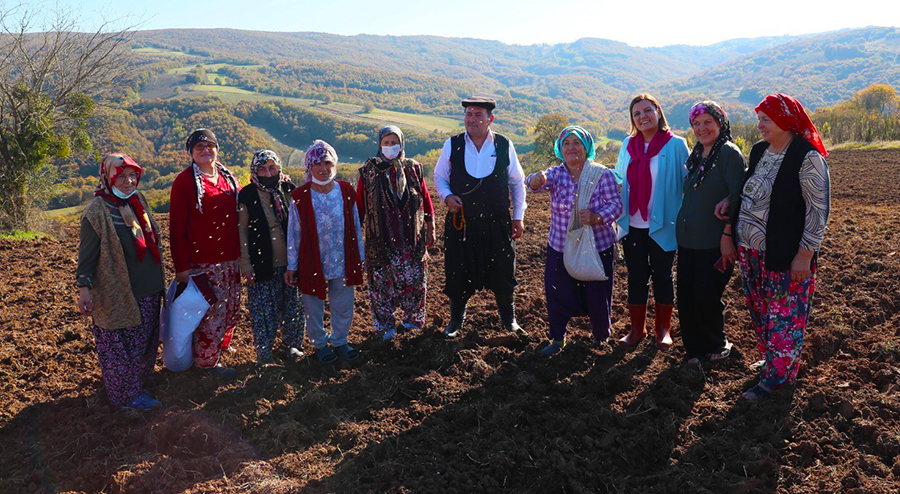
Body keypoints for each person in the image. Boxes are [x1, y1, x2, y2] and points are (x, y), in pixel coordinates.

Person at [722, 93, 830, 400]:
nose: (759, 126)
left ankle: (777, 381)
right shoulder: (760, 151)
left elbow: (818, 210)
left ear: (785, 120)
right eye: (759, 119)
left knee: (784, 315)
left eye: (765, 119)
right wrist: (729, 210)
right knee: (763, 311)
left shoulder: (806, 157)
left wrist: (804, 255)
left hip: (785, 253)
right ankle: (774, 363)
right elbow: (749, 189)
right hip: (751, 251)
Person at [76, 154, 165, 409]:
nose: (128, 181)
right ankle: (125, 396)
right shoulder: (97, 211)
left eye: (132, 175)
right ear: (107, 177)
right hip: (119, 292)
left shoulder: (138, 201)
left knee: (145, 338)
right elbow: (87, 255)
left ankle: (138, 382)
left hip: (148, 287)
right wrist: (84, 288)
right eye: (121, 176)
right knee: (119, 345)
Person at [433, 96, 527, 338]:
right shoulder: (452, 145)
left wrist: (518, 217)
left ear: (490, 119)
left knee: (504, 270)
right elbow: (440, 177)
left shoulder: (504, 145)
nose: (471, 119)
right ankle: (455, 322)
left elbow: (517, 182)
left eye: (477, 115)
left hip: (497, 222)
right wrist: (446, 196)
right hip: (462, 223)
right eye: (468, 114)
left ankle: (509, 320)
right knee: (457, 270)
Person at [526, 126, 623, 355]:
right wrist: (536, 179)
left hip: (597, 247)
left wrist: (597, 217)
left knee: (598, 294)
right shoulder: (556, 174)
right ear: (560, 149)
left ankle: (601, 338)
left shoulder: (602, 174)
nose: (571, 147)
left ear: (587, 147)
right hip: (560, 245)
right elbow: (532, 184)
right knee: (556, 292)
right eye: (566, 143)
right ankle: (558, 339)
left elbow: (616, 205)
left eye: (576, 143)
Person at [613, 94, 690, 350]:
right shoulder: (628, 144)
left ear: (658, 111)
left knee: (663, 276)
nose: (642, 117)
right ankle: (637, 329)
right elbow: (617, 176)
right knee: (636, 277)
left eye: (647, 111)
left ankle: (663, 330)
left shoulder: (676, 144)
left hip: (664, 224)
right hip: (632, 222)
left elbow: (687, 182)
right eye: (636, 114)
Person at [675, 101, 747, 364]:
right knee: (687, 295)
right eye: (696, 123)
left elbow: (739, 193)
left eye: (708, 122)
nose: (702, 128)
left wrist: (727, 234)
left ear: (720, 123)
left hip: (714, 240)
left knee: (707, 294)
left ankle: (717, 343)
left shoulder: (728, 152)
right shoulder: (698, 154)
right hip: (688, 238)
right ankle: (694, 348)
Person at [169, 129, 241, 378]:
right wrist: (182, 267)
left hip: (231, 259)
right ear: (190, 152)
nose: (205, 150)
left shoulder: (227, 177)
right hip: (203, 262)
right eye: (198, 147)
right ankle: (206, 364)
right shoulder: (185, 182)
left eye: (210, 145)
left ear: (217, 149)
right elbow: (177, 227)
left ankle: (216, 348)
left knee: (230, 307)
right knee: (211, 312)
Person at [285, 140, 365, 364]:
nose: (323, 167)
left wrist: (360, 256)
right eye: (317, 163)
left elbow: (356, 226)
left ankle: (340, 341)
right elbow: (294, 233)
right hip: (312, 260)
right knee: (313, 306)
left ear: (334, 164)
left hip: (342, 259)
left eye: (328, 162)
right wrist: (292, 265)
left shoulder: (346, 190)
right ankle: (320, 344)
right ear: (309, 167)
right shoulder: (300, 196)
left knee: (343, 303)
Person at [357, 126, 436, 341]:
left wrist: (430, 227)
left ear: (402, 144)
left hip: (411, 239)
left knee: (415, 282)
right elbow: (360, 205)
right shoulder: (369, 170)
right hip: (380, 241)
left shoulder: (414, 168)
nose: (391, 147)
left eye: (395, 142)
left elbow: (425, 197)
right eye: (386, 143)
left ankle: (412, 322)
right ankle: (385, 327)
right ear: (379, 144)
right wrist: (356, 237)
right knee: (381, 285)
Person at [238, 150, 305, 365]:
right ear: (254, 171)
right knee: (264, 312)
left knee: (294, 305)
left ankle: (292, 345)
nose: (268, 173)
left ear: (278, 168)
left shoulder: (287, 189)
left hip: (291, 262)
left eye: (272, 168)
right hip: (262, 264)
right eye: (262, 169)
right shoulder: (247, 195)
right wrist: (246, 265)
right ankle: (264, 354)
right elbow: (242, 232)